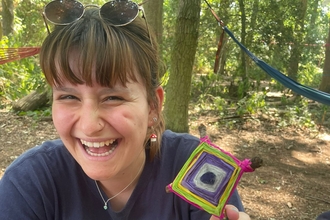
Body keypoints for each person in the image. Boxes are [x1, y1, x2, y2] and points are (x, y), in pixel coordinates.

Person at [0, 1, 250, 219]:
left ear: (153, 106)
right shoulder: (29, 183)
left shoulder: (196, 167)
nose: (89, 125)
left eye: (112, 97)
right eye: (68, 96)